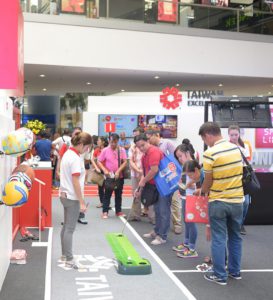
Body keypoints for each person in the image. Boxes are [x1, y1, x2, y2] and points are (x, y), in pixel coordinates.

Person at [199, 122, 244, 285]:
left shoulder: (210, 153)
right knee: (235, 237)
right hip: (238, 200)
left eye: (205, 139)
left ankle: (219, 275)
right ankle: (235, 272)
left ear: (208, 135)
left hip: (218, 201)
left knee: (218, 238)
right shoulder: (236, 149)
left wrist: (202, 190)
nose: (206, 142)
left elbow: (208, 180)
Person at [59, 131, 92, 269]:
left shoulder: (68, 154)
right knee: (70, 228)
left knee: (66, 227)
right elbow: (76, 181)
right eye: (87, 147)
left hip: (64, 194)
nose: (88, 150)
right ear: (81, 144)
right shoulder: (75, 158)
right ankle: (69, 259)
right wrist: (82, 202)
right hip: (72, 197)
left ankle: (65, 255)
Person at [135, 134, 171, 246]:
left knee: (163, 211)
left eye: (143, 145)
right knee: (157, 210)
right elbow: (145, 172)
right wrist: (140, 187)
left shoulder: (154, 152)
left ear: (148, 141)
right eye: (138, 146)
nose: (141, 148)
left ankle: (162, 236)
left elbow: (154, 170)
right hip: (155, 185)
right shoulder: (144, 155)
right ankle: (156, 231)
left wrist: (144, 181)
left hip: (163, 185)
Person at [148, 130, 182, 234]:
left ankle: (177, 224)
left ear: (155, 135)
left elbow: (176, 157)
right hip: (161, 178)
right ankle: (159, 228)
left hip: (171, 176)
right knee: (160, 204)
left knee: (175, 201)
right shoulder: (152, 147)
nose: (149, 140)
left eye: (150, 137)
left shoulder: (167, 143)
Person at [173, 143, 198, 258]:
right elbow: (183, 179)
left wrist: (185, 186)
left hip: (191, 197)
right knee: (187, 222)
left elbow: (195, 183)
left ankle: (192, 248)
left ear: (187, 153)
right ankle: (187, 244)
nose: (179, 159)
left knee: (191, 223)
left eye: (180, 156)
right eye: (178, 157)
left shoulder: (193, 164)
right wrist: (181, 186)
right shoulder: (185, 165)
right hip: (184, 197)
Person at [97, 133, 127, 219]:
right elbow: (99, 161)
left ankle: (118, 211)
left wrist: (118, 171)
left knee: (118, 194)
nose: (113, 144)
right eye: (111, 142)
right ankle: (105, 211)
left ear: (118, 141)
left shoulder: (122, 150)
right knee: (107, 194)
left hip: (119, 176)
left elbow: (125, 162)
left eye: (114, 142)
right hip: (109, 176)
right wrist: (105, 170)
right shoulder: (105, 150)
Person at [228, 125, 251, 235]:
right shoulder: (226, 146)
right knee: (229, 202)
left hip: (243, 178)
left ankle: (240, 224)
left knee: (246, 202)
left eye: (236, 134)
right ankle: (232, 223)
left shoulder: (244, 146)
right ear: (229, 135)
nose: (234, 137)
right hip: (230, 177)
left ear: (239, 134)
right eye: (232, 135)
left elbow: (248, 162)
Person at [127, 127, 144, 221]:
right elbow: (131, 161)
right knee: (135, 193)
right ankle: (136, 215)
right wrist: (138, 170)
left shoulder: (146, 146)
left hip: (146, 174)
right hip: (135, 173)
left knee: (148, 194)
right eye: (134, 135)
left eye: (137, 135)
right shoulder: (132, 147)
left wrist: (142, 172)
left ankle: (152, 217)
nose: (135, 137)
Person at [91, 136, 108, 208]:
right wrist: (96, 167)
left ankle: (106, 202)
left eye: (99, 140)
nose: (97, 142)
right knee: (100, 187)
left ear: (103, 142)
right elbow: (92, 159)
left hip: (107, 170)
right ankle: (102, 202)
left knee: (108, 187)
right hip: (100, 170)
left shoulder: (107, 150)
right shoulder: (97, 150)